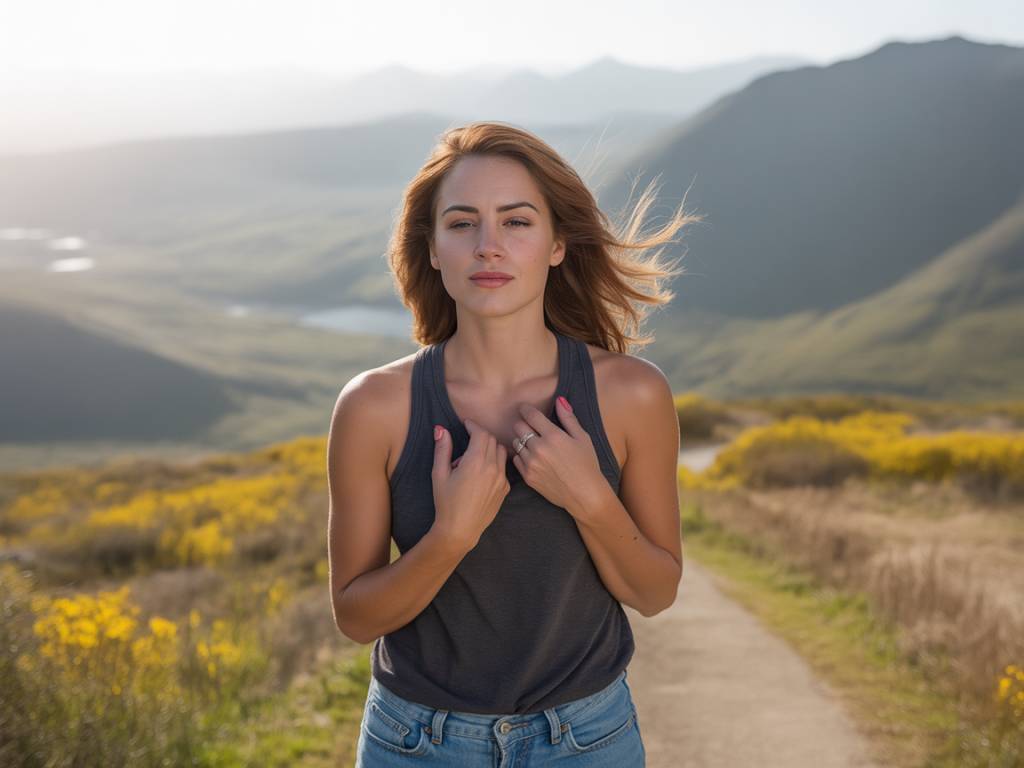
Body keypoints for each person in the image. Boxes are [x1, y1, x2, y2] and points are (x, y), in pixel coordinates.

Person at [327, 121, 697, 766]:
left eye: (517, 221)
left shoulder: (632, 395)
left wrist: (589, 498)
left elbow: (654, 592)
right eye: (462, 223)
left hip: (588, 741)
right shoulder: (373, 407)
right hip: (415, 743)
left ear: (557, 245)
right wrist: (451, 535)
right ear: (433, 249)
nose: (488, 246)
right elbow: (357, 619)